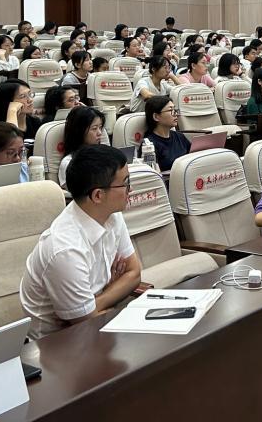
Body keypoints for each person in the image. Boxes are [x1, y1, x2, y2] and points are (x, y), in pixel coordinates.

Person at [19, 145, 140, 340]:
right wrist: (109, 296)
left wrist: (96, 302)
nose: (131, 189)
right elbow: (87, 323)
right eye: (125, 183)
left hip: (91, 328)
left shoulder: (111, 215)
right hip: (54, 344)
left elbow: (134, 273)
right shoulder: (65, 249)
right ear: (98, 195)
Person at [58, 107, 107, 188]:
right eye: (94, 128)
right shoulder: (69, 163)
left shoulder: (104, 155)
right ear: (79, 131)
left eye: (100, 128)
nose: (99, 133)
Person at [144, 95, 191, 172]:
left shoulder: (180, 136)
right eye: (170, 110)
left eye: (175, 110)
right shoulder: (149, 145)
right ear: (156, 117)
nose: (175, 114)